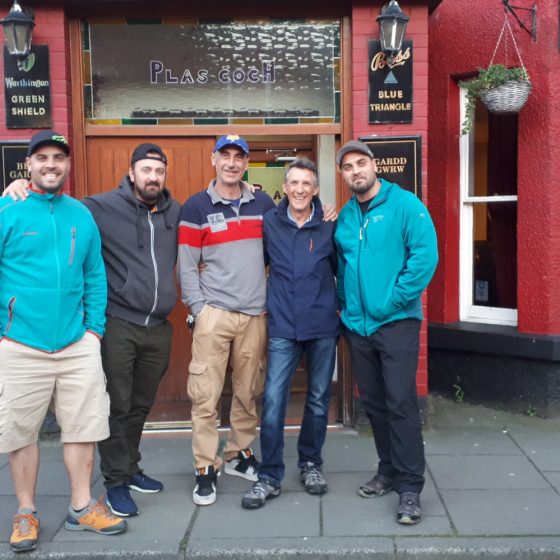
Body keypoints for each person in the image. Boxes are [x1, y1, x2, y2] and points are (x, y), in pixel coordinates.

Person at [3, 143, 181, 519]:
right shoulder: (97, 207)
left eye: (159, 171)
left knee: (138, 406)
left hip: (153, 327)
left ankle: (129, 469)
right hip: (114, 325)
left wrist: (90, 330)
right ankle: (113, 482)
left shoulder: (172, 211)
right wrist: (15, 185)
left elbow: (93, 271)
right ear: (131, 173)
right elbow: (46, 197)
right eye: (145, 169)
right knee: (115, 405)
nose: (153, 177)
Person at [0, 130, 127, 553]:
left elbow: (94, 276)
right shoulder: (8, 209)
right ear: (29, 165)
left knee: (83, 427)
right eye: (42, 158)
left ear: (68, 165)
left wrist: (94, 331)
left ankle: (81, 506)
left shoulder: (80, 215)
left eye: (58, 157)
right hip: (20, 344)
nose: (51, 164)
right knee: (20, 433)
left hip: (77, 344)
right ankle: (26, 512)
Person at [334, 140, 438, 525]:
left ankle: (410, 487)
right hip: (358, 327)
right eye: (348, 167)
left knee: (400, 404)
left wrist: (393, 300)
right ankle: (388, 470)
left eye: (362, 163)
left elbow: (425, 255)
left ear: (374, 166)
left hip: (395, 323)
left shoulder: (405, 205)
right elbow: (344, 268)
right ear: (343, 175)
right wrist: (345, 305)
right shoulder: (346, 217)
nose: (356, 171)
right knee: (374, 405)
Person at [177, 135, 273, 506]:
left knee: (249, 390)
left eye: (239, 157)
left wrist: (325, 209)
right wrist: (199, 309)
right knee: (205, 396)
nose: (232, 163)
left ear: (246, 162)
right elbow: (186, 264)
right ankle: (205, 467)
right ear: (213, 159)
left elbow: (285, 240)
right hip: (213, 313)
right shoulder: (196, 207)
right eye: (225, 156)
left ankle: (238, 454)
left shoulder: (263, 203)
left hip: (254, 314)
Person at [241, 158, 339, 509]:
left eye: (306, 184)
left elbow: (341, 269)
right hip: (283, 325)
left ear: (315, 190)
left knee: (317, 401)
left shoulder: (330, 224)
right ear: (285, 187)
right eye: (293, 182)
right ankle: (269, 475)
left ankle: (311, 464)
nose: (299, 189)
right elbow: (256, 264)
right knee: (273, 403)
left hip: (322, 326)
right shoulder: (270, 222)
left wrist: (339, 308)